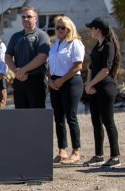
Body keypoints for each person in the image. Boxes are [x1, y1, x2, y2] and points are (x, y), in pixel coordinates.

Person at [83, 17, 121, 168]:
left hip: (105, 88)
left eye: (91, 28)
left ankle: (115, 156)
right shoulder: (96, 46)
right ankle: (99, 155)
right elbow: (92, 67)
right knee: (96, 122)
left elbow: (105, 70)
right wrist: (88, 84)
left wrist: (91, 83)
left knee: (108, 122)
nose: (90, 31)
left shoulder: (108, 46)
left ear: (98, 29)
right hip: (94, 88)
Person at [47, 16, 84, 164]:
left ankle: (76, 151)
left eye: (63, 27)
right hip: (55, 82)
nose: (60, 30)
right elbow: (49, 65)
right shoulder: (55, 43)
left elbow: (78, 65)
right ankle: (62, 149)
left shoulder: (75, 43)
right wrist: (50, 79)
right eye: (57, 27)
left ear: (69, 28)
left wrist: (62, 80)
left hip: (70, 82)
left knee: (71, 116)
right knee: (58, 117)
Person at [5, 6, 50, 109]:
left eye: (29, 16)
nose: (25, 19)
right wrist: (17, 71)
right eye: (23, 17)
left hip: (36, 80)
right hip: (19, 80)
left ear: (36, 18)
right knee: (21, 116)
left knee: (36, 115)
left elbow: (42, 56)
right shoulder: (16, 36)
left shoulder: (42, 35)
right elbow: (7, 56)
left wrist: (23, 70)